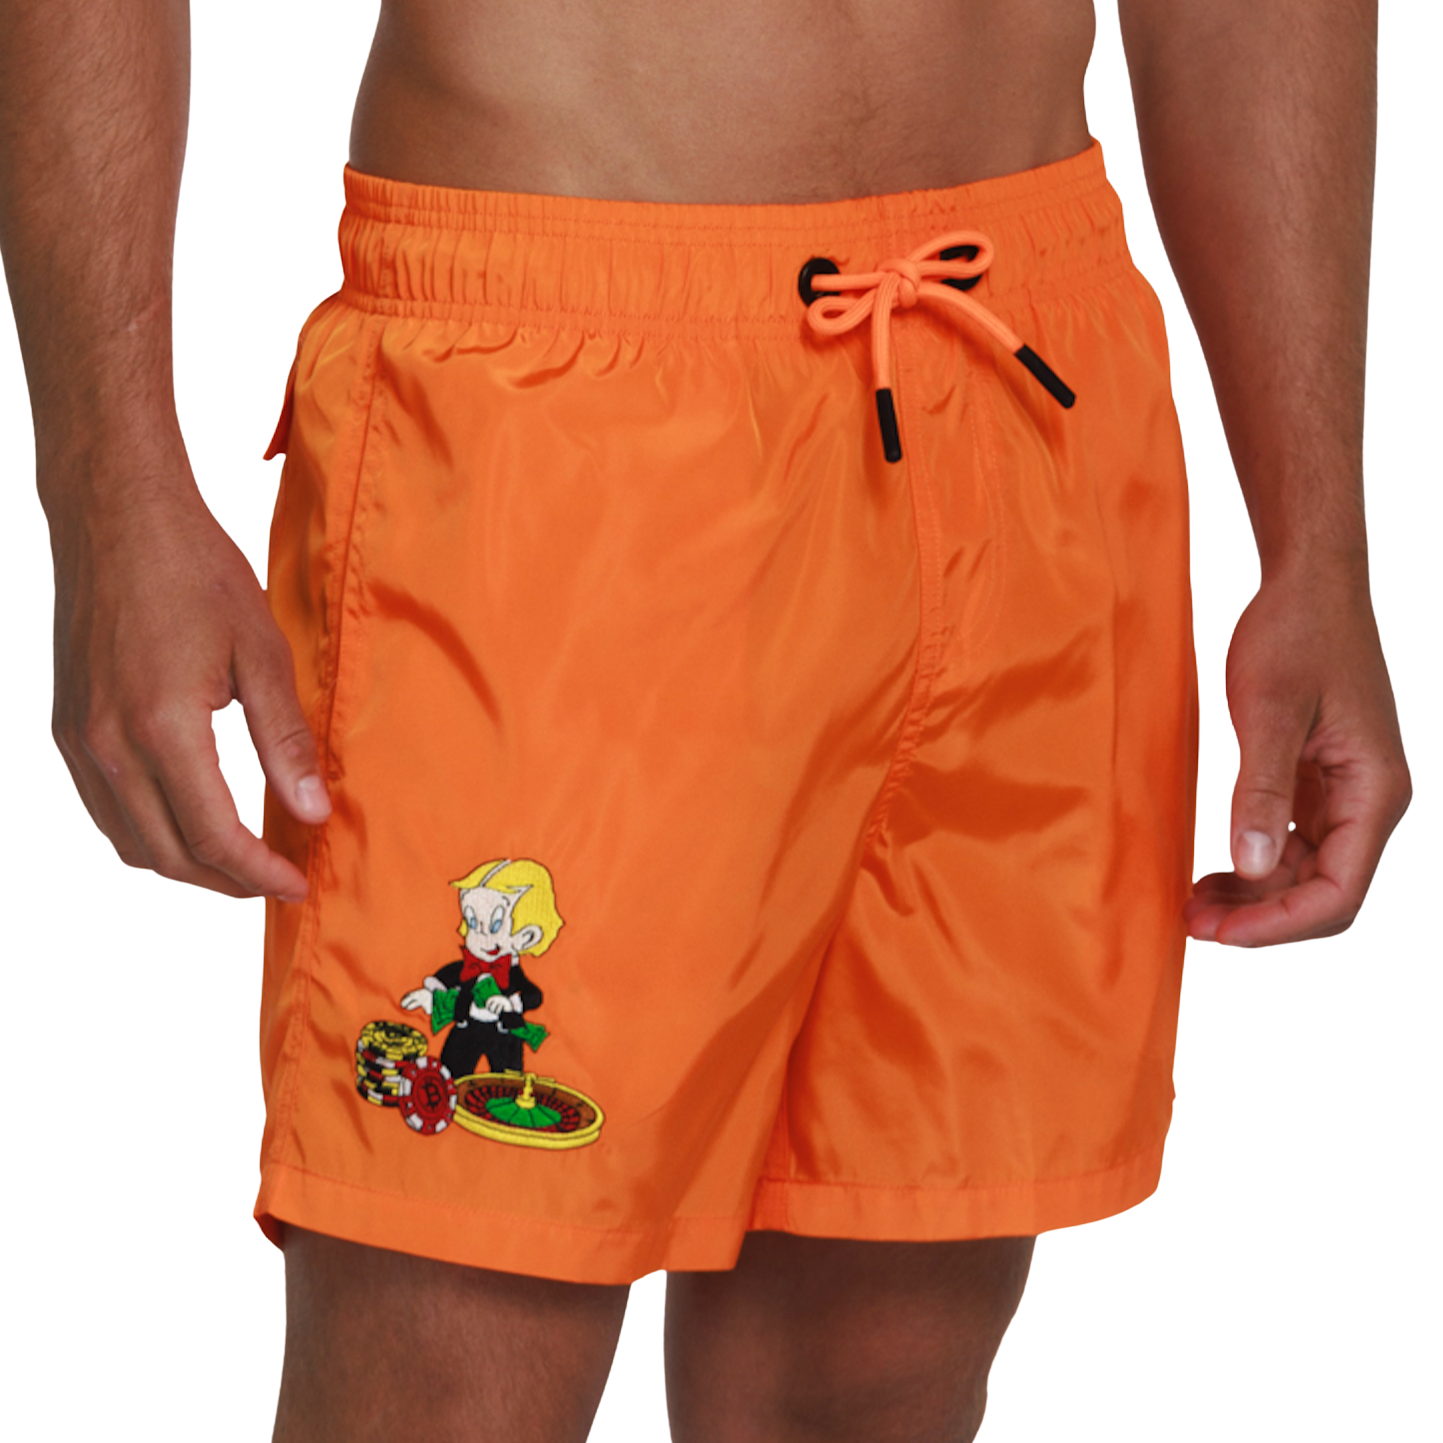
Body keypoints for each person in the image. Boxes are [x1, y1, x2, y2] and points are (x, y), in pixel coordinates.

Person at [0, 1, 1411, 1440]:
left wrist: (1318, 545)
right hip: (562, 417)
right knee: (452, 1371)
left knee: (872, 1376)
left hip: (1022, 381)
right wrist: (109, 486)